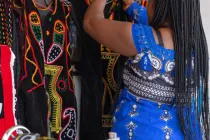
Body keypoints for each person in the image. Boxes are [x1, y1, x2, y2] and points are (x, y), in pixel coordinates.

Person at [83, 0, 209, 139]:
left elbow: (90, 22)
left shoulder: (142, 40)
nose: (146, 4)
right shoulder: (196, 49)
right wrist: (132, 8)